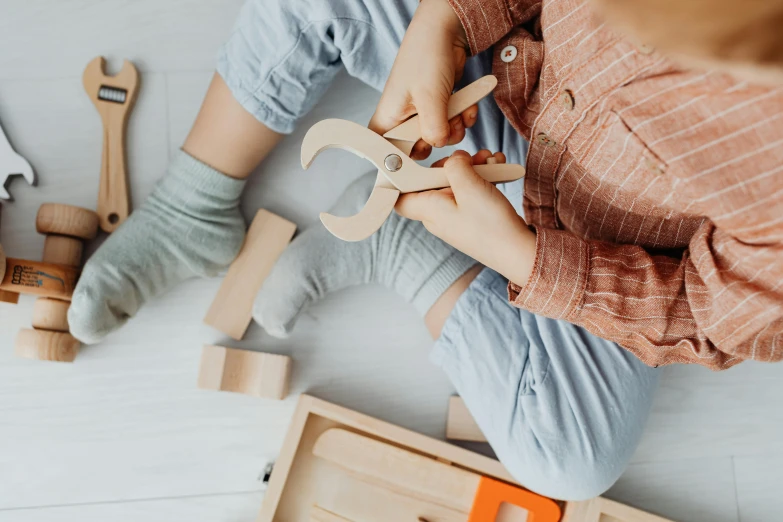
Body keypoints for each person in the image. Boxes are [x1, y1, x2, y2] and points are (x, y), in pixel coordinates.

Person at [67, 0, 783, 500]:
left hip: (597, 247)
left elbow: (711, 311)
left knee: (571, 459)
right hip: (498, 81)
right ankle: (190, 205)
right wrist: (445, 16)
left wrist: (530, 261)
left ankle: (408, 251)